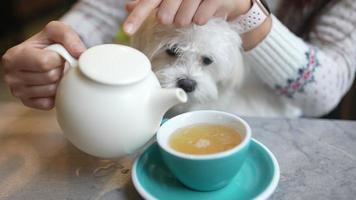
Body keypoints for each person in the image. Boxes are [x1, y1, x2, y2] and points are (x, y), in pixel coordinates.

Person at [1, 0, 355, 117]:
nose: (187, 75)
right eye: (172, 52)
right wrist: (60, 48)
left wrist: (250, 15)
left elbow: (326, 91)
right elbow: (109, 8)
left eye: (205, 62)